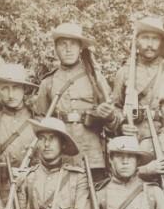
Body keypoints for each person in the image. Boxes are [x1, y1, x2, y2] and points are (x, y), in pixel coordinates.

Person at [33, 22, 119, 179]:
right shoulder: (48, 82)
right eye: (63, 44)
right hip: (61, 156)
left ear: (80, 48)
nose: (68, 49)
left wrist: (108, 116)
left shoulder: (96, 78)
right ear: (55, 48)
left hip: (92, 155)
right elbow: (40, 120)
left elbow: (114, 122)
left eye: (73, 44)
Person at [17, 117, 92, 209]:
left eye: (52, 138)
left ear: (63, 144)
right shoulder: (27, 177)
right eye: (42, 138)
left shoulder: (77, 178)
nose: (46, 144)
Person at [109, 16, 164, 132]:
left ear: (161, 43)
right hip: (134, 134)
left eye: (155, 39)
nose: (150, 44)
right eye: (145, 38)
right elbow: (116, 107)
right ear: (137, 41)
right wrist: (121, 125)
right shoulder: (124, 72)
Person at [0, 64, 37, 198]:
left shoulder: (37, 122)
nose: (10, 95)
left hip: (31, 193)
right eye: (5, 88)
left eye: (15, 88)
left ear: (24, 89)